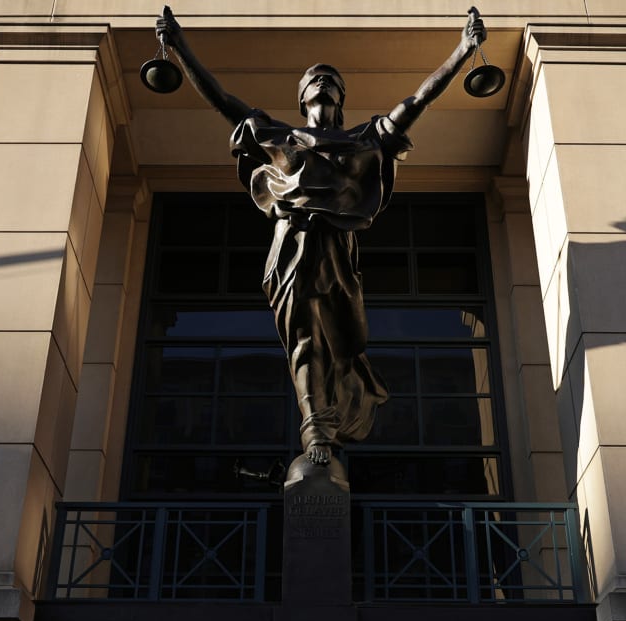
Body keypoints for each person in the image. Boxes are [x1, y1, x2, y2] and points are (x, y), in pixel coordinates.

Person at [156, 6, 485, 465]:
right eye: (314, 79)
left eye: (330, 79)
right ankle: (316, 432)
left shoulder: (363, 141)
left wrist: (463, 51)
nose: (322, 82)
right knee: (306, 341)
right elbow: (222, 100)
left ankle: (334, 417)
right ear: (302, 96)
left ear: (341, 96)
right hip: (291, 248)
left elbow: (415, 103)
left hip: (337, 252)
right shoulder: (280, 137)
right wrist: (179, 47)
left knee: (342, 349)